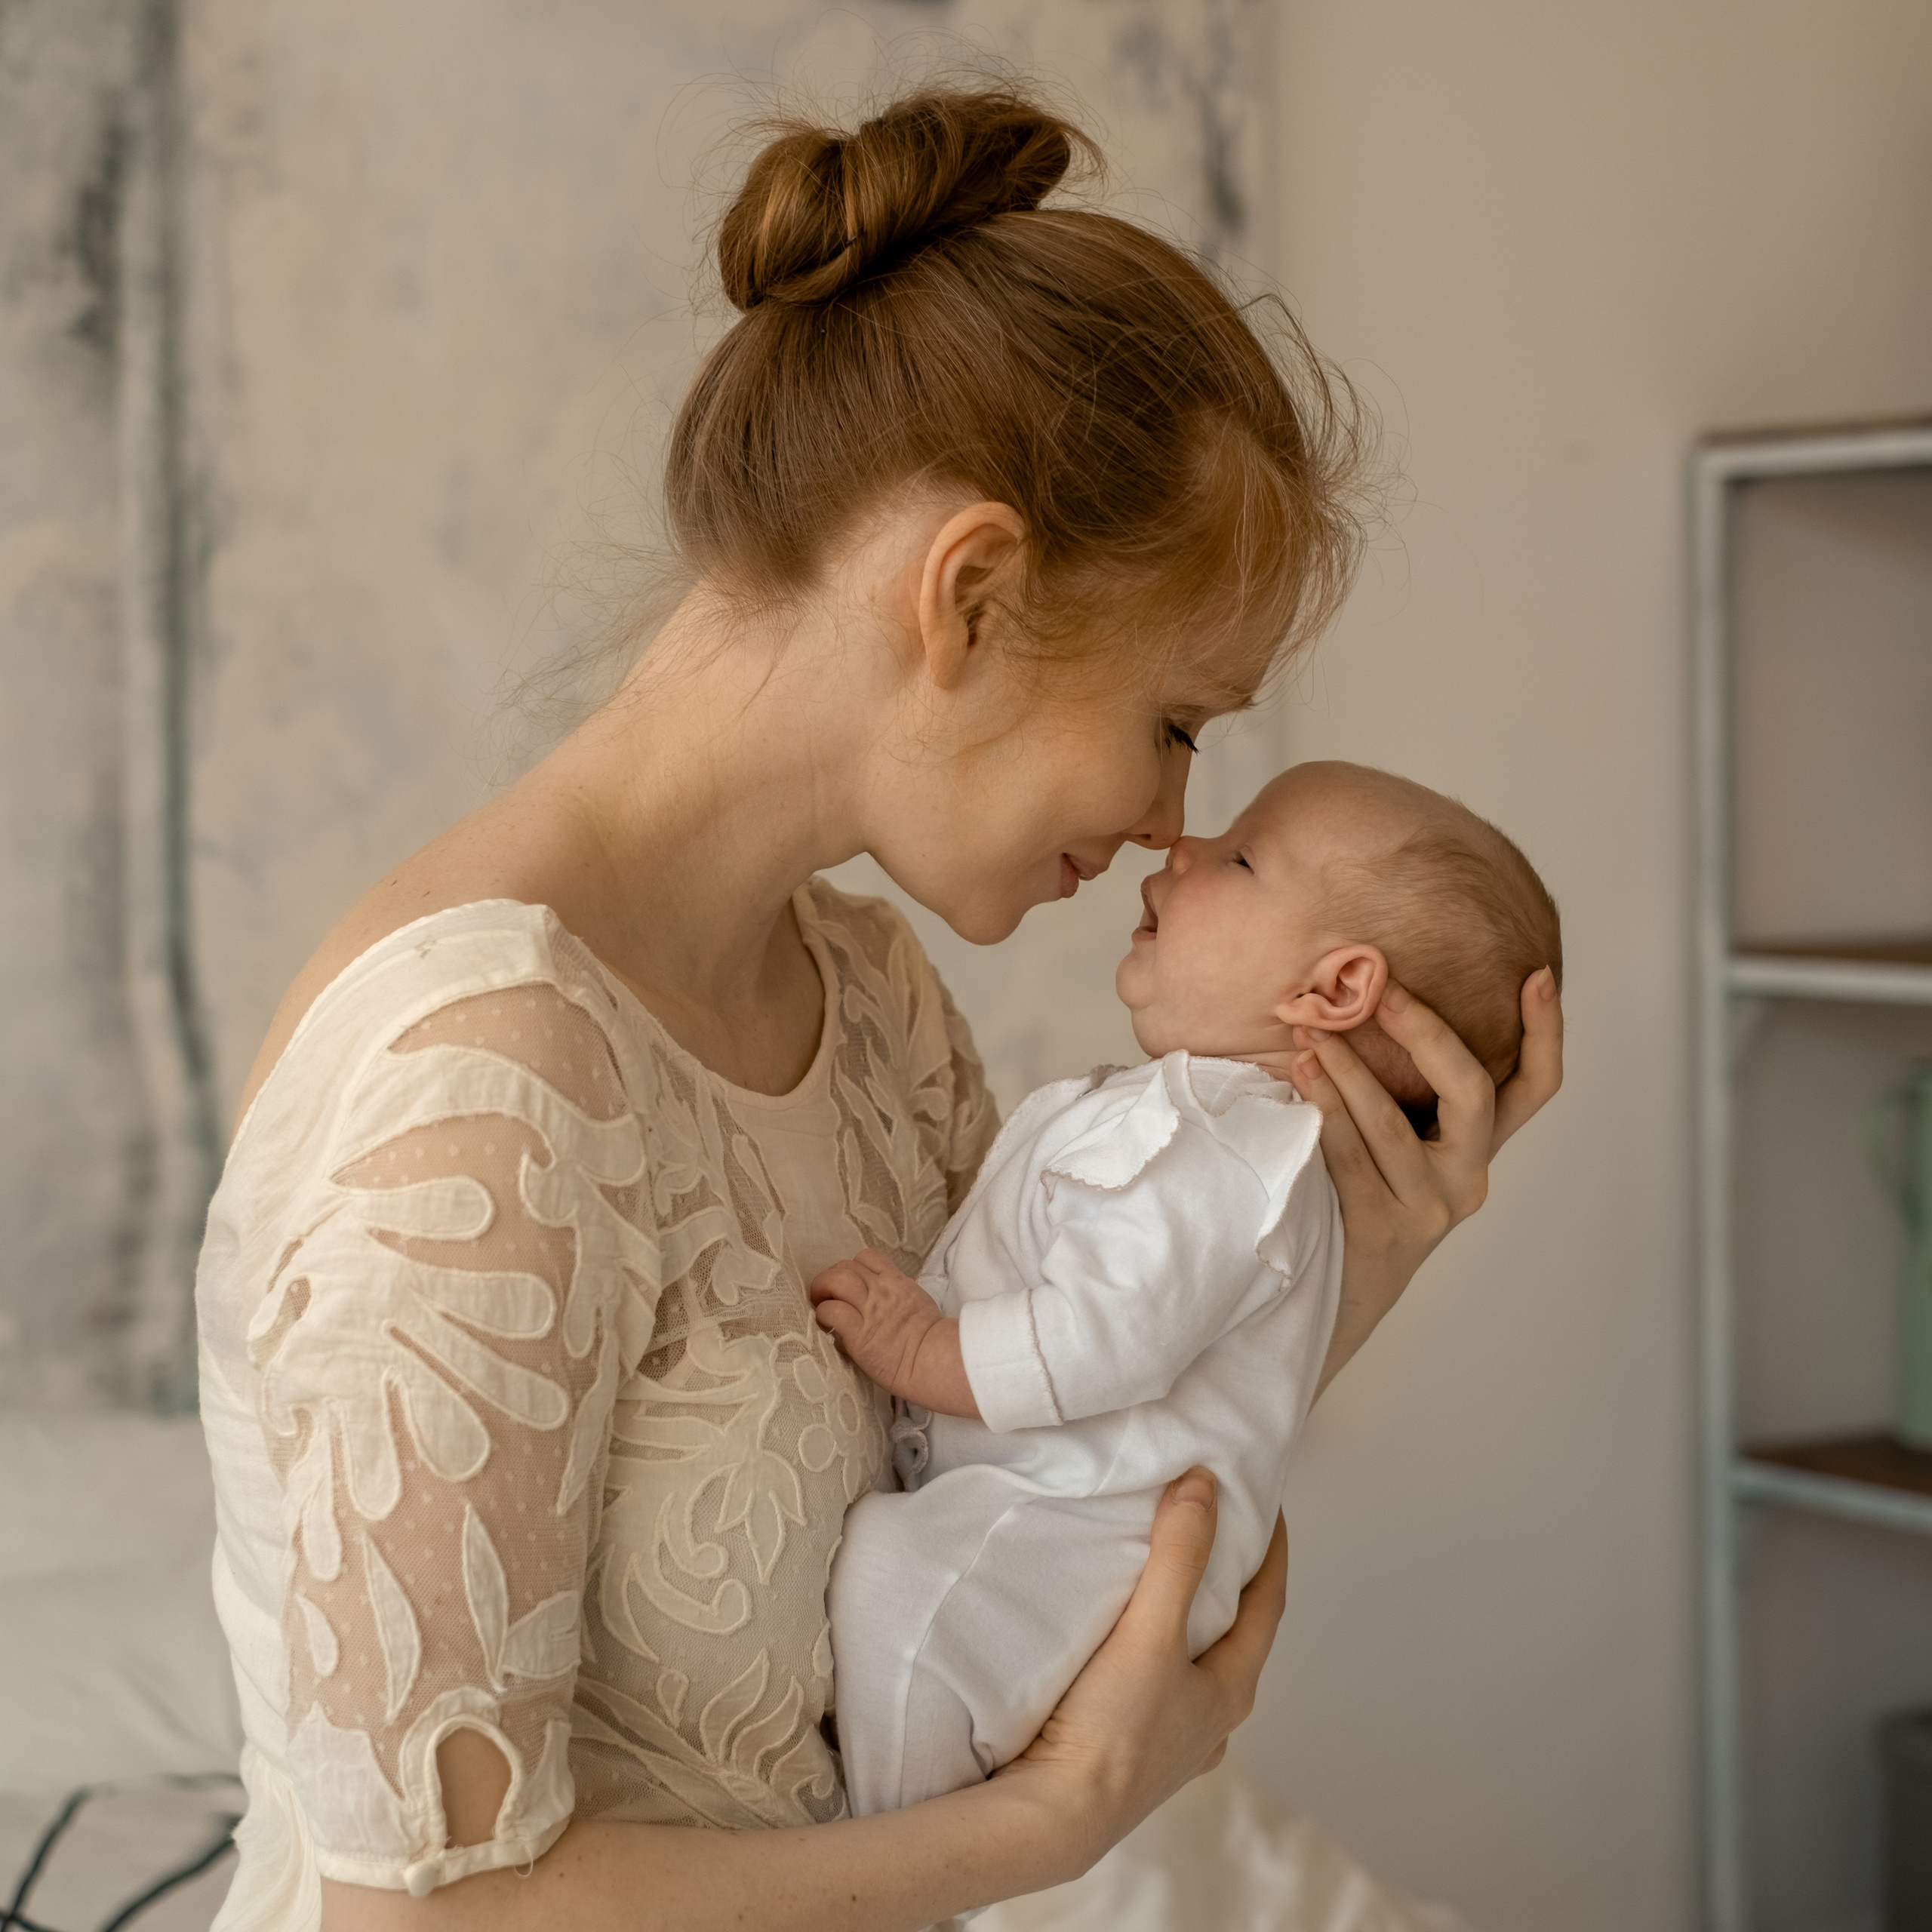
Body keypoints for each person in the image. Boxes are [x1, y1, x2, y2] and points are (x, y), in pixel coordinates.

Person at [193, 83, 1564, 1932]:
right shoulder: (483, 1073)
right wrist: (1050, 1825)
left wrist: (1350, 1244)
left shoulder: (869, 998)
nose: (1172, 821)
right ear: (971, 593)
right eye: (1176, 721)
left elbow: (1030, 1474)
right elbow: (414, 1915)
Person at [810, 761, 1562, 1817]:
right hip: (1067, 1531)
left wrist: (922, 1351)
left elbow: (1107, 1336)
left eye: (1241, 856)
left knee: (898, 1591)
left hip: (1060, 1545)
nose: (1180, 846)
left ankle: (884, 1856)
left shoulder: (1223, 1144)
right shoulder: (1235, 1141)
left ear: (1335, 989)